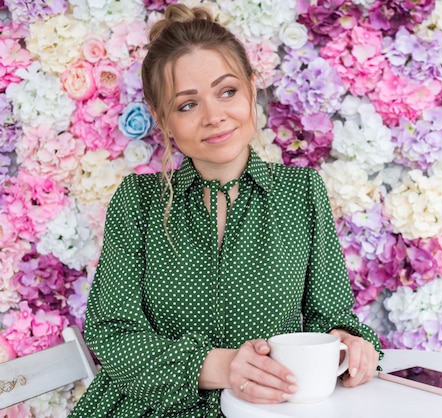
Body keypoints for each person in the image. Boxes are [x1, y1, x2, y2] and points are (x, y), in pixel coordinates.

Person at [68, 4, 382, 417]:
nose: (214, 116)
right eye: (187, 105)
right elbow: (111, 334)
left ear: (252, 89)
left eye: (227, 91)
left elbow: (331, 315)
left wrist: (350, 344)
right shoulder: (138, 201)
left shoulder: (302, 191)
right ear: (164, 122)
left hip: (273, 411)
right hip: (152, 409)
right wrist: (218, 365)